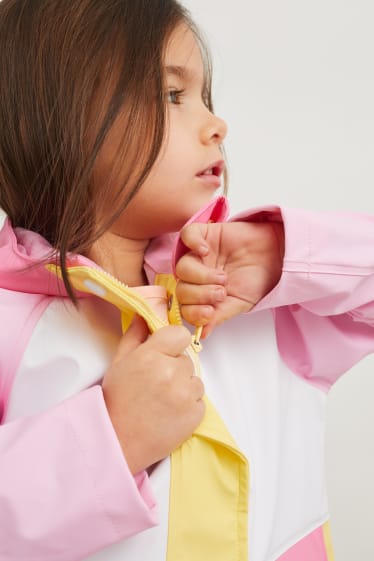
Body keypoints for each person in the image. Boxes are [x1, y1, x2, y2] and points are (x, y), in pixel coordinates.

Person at [0, 1, 374, 560]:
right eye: (173, 96)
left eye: (205, 97)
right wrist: (111, 439)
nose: (217, 125)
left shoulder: (260, 304)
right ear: (50, 117)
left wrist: (283, 256)